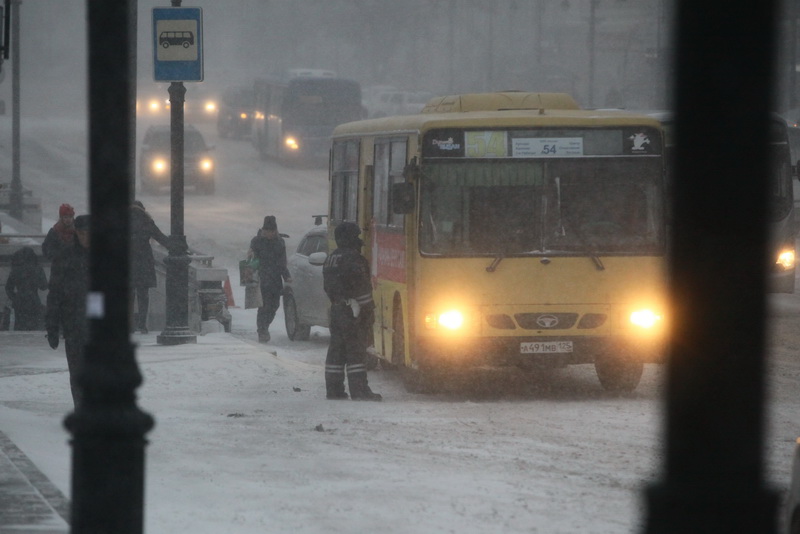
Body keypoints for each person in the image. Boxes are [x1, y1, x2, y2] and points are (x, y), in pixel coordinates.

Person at [322, 222, 381, 401]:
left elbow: (328, 287)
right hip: (353, 312)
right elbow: (362, 289)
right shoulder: (355, 259)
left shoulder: (331, 258)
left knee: (336, 351)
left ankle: (334, 390)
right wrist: (368, 311)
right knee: (356, 351)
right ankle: (360, 390)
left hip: (336, 310)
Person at [46, 214, 90, 408]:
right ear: (76, 233)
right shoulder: (65, 257)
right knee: (77, 370)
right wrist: (52, 327)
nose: (86, 237)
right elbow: (54, 294)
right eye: (82, 233)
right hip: (73, 324)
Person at [248, 215, 291, 343]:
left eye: (272, 231)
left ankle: (264, 326)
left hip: (275, 279)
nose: (270, 234)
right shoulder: (256, 241)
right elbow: (251, 259)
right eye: (268, 231)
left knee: (275, 305)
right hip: (262, 278)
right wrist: (250, 256)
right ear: (263, 230)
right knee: (264, 305)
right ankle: (262, 330)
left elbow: (282, 261)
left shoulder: (279, 242)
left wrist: (286, 275)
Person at [130, 200, 171, 333]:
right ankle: (142, 325)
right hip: (143, 261)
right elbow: (160, 237)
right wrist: (176, 246)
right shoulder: (146, 220)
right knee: (143, 294)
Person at [4, 247, 48, 330]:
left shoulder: (15, 270)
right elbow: (43, 286)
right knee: (34, 326)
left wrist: (14, 297)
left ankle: (20, 341)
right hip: (34, 299)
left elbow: (8, 288)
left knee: (19, 325)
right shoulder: (38, 269)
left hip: (19, 300)